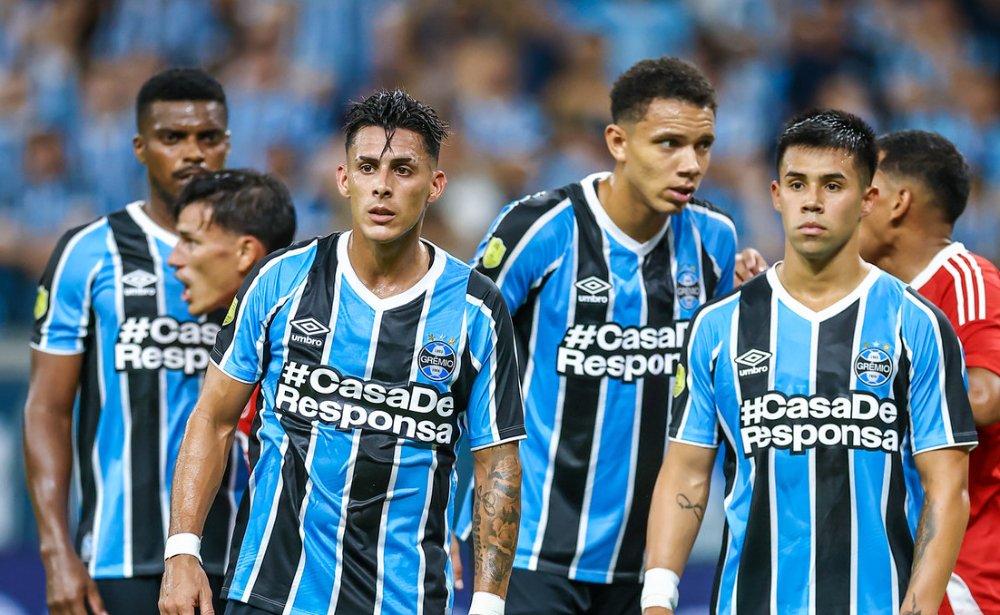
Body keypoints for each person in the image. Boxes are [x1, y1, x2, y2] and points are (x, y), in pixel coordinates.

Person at [158, 89, 525, 615]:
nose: (382, 185)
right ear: (343, 178)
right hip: (272, 591)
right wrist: (182, 553)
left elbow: (497, 464)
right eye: (368, 167)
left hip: (404, 599)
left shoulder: (476, 309)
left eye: (403, 170)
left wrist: (489, 606)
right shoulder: (282, 280)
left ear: (435, 185)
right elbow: (213, 418)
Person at [643, 109, 977, 615]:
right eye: (798, 184)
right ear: (777, 195)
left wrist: (920, 608)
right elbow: (686, 472)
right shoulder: (719, 326)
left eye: (833, 185)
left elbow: (946, 486)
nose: (813, 202)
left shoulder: (918, 324)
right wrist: (658, 599)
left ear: (868, 200)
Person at [460, 56, 753, 615]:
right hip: (530, 550)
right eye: (668, 143)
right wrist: (448, 520)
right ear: (618, 141)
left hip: (650, 560)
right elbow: (455, 366)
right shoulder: (540, 228)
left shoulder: (715, 240)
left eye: (704, 145)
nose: (690, 164)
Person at [24, 68, 239, 615]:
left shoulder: (264, 263)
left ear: (227, 145)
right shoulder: (87, 254)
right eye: (173, 138)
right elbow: (47, 408)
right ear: (142, 148)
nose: (193, 153)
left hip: (242, 555)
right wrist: (55, 551)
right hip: (120, 558)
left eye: (207, 138)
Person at [858, 130, 1000, 614]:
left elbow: (984, 398)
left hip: (964, 574)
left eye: (865, 188)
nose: (851, 202)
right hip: (899, 564)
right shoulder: (876, 299)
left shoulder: (965, 281)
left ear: (898, 202)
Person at [168, 168, 297, 460]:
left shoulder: (294, 356)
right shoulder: (244, 343)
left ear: (245, 253)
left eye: (191, 242)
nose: (173, 259)